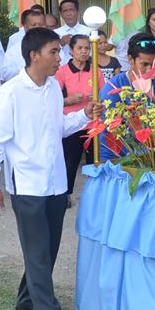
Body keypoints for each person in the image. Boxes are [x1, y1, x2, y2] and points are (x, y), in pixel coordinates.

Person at [0, 27, 101, 310]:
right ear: (34, 55)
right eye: (53, 52)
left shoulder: (51, 89)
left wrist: (84, 116)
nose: (59, 58)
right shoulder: (10, 93)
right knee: (37, 253)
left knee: (47, 249)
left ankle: (27, 298)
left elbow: (57, 128)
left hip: (56, 182)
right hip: (28, 185)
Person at [55, 34, 107, 206]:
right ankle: (66, 193)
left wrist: (99, 105)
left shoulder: (95, 71)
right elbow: (53, 99)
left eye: (87, 48)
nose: (84, 51)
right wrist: (68, 101)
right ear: (71, 50)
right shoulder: (61, 71)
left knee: (95, 161)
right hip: (70, 124)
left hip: (92, 123)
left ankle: (96, 195)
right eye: (80, 48)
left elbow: (103, 95)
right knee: (70, 162)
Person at [100, 33, 155, 160]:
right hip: (118, 158)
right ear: (130, 59)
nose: (150, 70)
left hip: (152, 157)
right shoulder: (112, 89)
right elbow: (111, 130)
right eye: (145, 64)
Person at [3, 9, 46, 80]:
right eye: (33, 25)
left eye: (41, 24)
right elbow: (5, 73)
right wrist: (27, 72)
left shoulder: (54, 47)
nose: (37, 28)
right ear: (25, 27)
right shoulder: (14, 51)